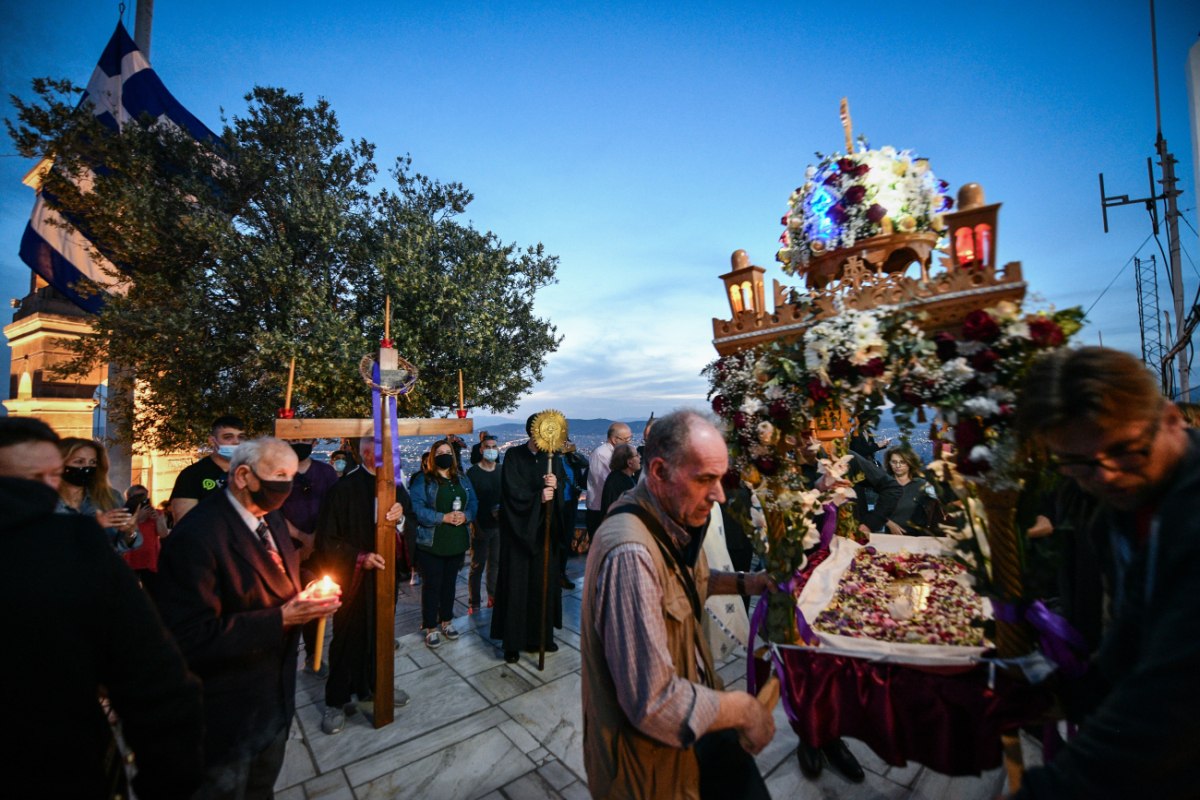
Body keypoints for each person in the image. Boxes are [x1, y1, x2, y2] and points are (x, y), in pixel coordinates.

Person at [1008, 346, 1200, 799]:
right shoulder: (1121, 506)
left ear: (1171, 419)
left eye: (1125, 451)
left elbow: (1172, 703)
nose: (1107, 475)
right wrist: (1072, 696)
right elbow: (1131, 631)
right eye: (1078, 463)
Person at [0, 417, 205, 799]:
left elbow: (153, 680)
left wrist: (126, 529)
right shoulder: (70, 539)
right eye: (26, 481)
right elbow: (161, 689)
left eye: (50, 475)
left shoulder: (97, 512)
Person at [580, 410, 775, 799]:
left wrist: (751, 583)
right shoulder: (631, 552)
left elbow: (688, 584)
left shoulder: (667, 517)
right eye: (705, 479)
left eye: (721, 478)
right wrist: (745, 709)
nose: (719, 495)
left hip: (696, 718)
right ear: (657, 471)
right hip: (656, 760)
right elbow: (653, 703)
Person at [156, 437, 341, 798]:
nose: (289, 486)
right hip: (225, 714)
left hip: (273, 702)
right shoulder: (198, 537)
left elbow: (279, 580)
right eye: (280, 475)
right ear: (243, 475)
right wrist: (282, 619)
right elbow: (186, 637)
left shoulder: (271, 517)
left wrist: (310, 592)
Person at [315, 434, 413, 735]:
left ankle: (376, 687)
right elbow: (327, 540)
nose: (385, 458)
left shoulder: (396, 486)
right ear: (366, 455)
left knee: (381, 634)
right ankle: (337, 700)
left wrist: (400, 519)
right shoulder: (342, 489)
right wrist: (360, 557)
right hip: (356, 579)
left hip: (384, 579)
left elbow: (408, 524)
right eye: (378, 452)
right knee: (348, 639)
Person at [491, 415, 567, 663]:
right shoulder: (514, 455)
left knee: (541, 586)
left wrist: (556, 487)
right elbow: (512, 492)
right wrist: (538, 498)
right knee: (517, 587)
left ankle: (540, 638)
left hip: (544, 534)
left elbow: (561, 492)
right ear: (533, 433)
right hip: (519, 534)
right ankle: (512, 642)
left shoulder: (553, 459)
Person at [279, 438, 341, 678]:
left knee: (320, 599)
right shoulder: (281, 473)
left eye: (304, 440)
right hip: (291, 549)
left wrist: (316, 537)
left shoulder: (325, 472)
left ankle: (315, 654)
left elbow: (335, 505)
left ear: (313, 442)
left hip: (323, 546)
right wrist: (300, 537)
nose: (299, 444)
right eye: (294, 440)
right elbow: (274, 511)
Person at [410, 438, 477, 648]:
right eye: (439, 452)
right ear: (432, 456)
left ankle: (446, 621)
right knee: (432, 586)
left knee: (449, 585)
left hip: (456, 541)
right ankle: (430, 626)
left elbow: (473, 502)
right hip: (432, 542)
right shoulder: (424, 480)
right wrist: (442, 517)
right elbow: (416, 508)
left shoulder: (462, 479)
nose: (444, 455)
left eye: (447, 452)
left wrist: (465, 516)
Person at [56, 436, 139, 553]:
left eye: (92, 462)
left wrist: (130, 531)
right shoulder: (44, 500)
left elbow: (121, 547)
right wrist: (94, 526)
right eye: (79, 461)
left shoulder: (110, 498)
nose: (86, 468)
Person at [170, 415, 247, 523]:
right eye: (228, 437)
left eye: (241, 437)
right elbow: (184, 523)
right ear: (212, 440)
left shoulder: (250, 472)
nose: (236, 442)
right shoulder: (191, 475)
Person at [466, 433, 502, 612]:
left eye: (494, 447)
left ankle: (493, 595)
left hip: (499, 525)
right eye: (487, 447)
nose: (491, 450)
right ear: (481, 450)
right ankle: (474, 602)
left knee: (495, 563)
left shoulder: (501, 470)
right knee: (477, 564)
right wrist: (475, 524)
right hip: (480, 525)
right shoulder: (473, 473)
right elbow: (469, 500)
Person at [585, 422, 632, 540]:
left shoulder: (615, 453)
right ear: (614, 439)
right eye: (625, 439)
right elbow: (606, 483)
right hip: (600, 510)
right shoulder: (601, 454)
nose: (629, 443)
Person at [123, 483, 170, 596]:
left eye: (144, 496)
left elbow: (163, 534)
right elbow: (123, 536)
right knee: (131, 593)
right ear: (130, 498)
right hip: (131, 558)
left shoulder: (157, 513)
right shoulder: (125, 514)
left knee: (152, 593)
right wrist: (138, 519)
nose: (142, 500)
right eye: (138, 497)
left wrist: (158, 520)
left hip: (150, 559)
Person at [882, 446, 941, 535]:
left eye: (902, 462)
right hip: (892, 538)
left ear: (910, 463)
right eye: (894, 462)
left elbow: (942, 501)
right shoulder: (885, 485)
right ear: (889, 463)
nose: (898, 466)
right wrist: (889, 523)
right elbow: (878, 512)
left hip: (918, 538)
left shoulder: (923, 485)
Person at [599, 442, 639, 518]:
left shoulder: (616, 477)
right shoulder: (623, 483)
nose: (640, 457)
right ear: (629, 462)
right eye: (636, 455)